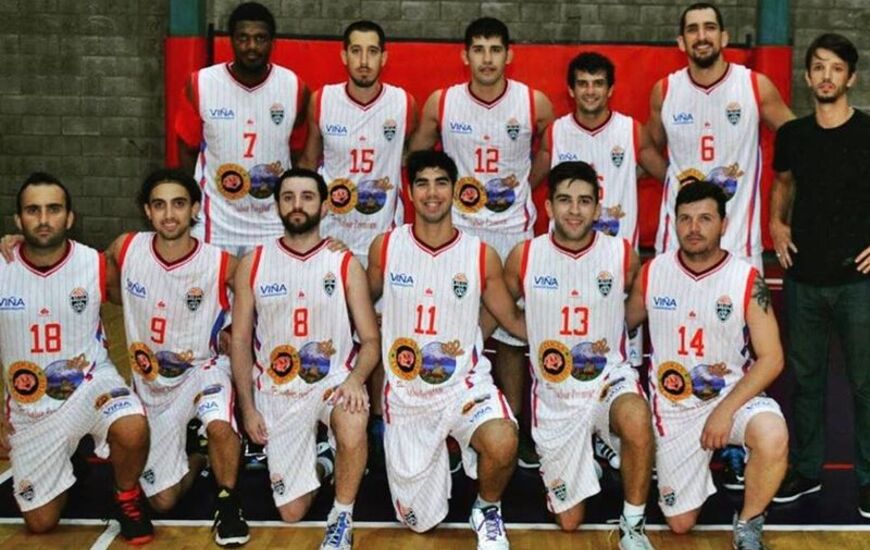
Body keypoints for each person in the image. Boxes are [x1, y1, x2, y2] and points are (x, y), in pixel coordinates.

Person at [409, 16, 554, 470]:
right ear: (465, 55)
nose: (487, 58)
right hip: (458, 230)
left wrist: (527, 185)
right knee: (448, 326)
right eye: (479, 49)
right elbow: (418, 154)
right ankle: (447, 425)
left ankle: (510, 425)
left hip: (511, 230)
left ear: (509, 54)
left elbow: (549, 148)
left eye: (496, 49)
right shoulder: (443, 102)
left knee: (511, 335)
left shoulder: (535, 103)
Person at [367, 150, 527, 549]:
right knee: (420, 523)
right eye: (422, 183)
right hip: (408, 395)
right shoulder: (385, 248)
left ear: (455, 190)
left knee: (504, 438)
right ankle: (436, 466)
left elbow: (512, 321)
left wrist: (566, 337)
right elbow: (359, 305)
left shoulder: (479, 254)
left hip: (464, 387)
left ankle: (487, 508)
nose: (432, 192)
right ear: (409, 191)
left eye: (441, 182)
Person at [626, 181, 788, 549]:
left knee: (772, 433)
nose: (693, 228)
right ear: (674, 222)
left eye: (704, 219)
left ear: (723, 224)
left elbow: (772, 358)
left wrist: (725, 410)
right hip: (675, 406)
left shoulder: (745, 278)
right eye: (685, 219)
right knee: (680, 523)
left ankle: (749, 522)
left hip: (733, 397)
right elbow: (621, 324)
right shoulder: (653, 273)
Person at [503, 161, 655, 548]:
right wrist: (534, 335)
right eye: (565, 200)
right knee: (569, 522)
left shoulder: (622, 256)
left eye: (584, 201)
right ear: (549, 206)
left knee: (637, 417)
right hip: (556, 397)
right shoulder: (525, 256)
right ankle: (590, 449)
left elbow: (632, 315)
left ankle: (633, 525)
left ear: (598, 208)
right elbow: (503, 313)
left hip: (607, 381)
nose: (575, 210)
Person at [231, 168, 379, 549]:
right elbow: (241, 340)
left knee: (351, 416)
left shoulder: (343, 263)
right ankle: (325, 462)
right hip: (278, 391)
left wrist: (355, 379)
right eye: (288, 197)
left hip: (333, 384)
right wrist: (247, 408)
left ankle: (342, 516)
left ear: (324, 205)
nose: (298, 205)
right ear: (277, 205)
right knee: (292, 511)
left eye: (308, 196)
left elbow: (371, 340)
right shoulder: (254, 263)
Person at [0, 174, 152, 543]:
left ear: (69, 217)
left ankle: (126, 496)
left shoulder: (95, 264)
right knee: (40, 523)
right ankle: (72, 458)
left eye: (53, 209)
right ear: (19, 221)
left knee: (131, 423)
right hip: (31, 405)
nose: (43, 219)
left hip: (90, 383)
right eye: (33, 211)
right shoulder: (2, 268)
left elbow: (149, 291)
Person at [103, 169, 248, 546]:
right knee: (163, 500)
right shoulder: (125, 249)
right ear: (147, 212)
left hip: (203, 369)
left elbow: (260, 302)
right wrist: (17, 244)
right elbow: (85, 276)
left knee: (219, 423)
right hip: (152, 384)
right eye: (160, 205)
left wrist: (233, 330)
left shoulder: (221, 262)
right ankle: (197, 458)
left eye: (179, 204)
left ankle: (228, 502)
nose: (170, 214)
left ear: (195, 209)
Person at [297, 19, 418, 470]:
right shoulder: (322, 100)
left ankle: (382, 423)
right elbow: (309, 163)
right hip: (332, 240)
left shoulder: (404, 103)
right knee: (325, 334)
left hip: (383, 239)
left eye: (373, 52)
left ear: (384, 57)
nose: (364, 60)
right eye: (356, 51)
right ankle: (327, 426)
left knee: (382, 333)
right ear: (343, 56)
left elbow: (412, 166)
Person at [768, 33, 870, 517]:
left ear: (850, 77)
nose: (826, 76)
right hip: (805, 277)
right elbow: (783, 183)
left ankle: (869, 479)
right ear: (807, 77)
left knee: (865, 382)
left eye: (836, 68)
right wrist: (776, 222)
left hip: (858, 282)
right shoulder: (793, 136)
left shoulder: (868, 133)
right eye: (818, 67)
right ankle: (807, 470)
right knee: (805, 381)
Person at [648, 2, 793, 272]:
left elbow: (801, 142)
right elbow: (646, 156)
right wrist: (678, 180)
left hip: (739, 245)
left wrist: (778, 218)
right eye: (693, 30)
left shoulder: (753, 86)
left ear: (724, 37)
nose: (702, 36)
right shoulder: (665, 90)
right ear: (681, 42)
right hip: (676, 246)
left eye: (710, 28)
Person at [175, 1, 308, 256]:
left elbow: (299, 156)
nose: (251, 47)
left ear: (272, 42)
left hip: (272, 225)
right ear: (231, 41)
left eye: (260, 39)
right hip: (215, 224)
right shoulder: (201, 84)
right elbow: (186, 150)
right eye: (243, 38)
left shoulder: (294, 87)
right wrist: (190, 204)